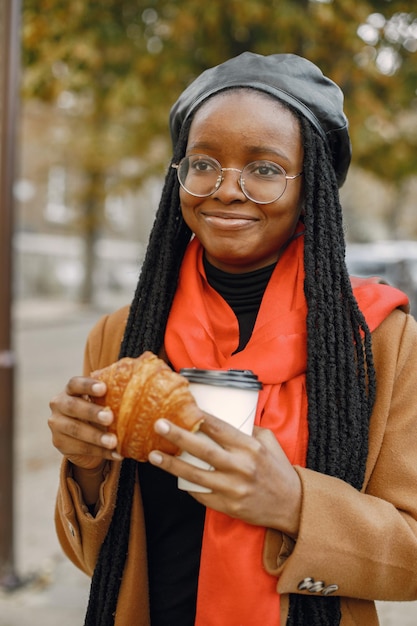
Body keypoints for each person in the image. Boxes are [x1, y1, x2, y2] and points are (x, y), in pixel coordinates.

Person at [48, 52, 417, 626]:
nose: (225, 189)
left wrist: (296, 505)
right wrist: (87, 467)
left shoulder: (378, 339)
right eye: (203, 164)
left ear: (310, 184)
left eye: (265, 169)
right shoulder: (125, 335)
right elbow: (103, 561)